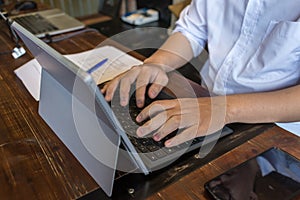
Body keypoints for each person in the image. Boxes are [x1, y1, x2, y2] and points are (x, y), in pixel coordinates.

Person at [101, 0, 300, 148]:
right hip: (204, 103)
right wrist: (157, 63)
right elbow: (192, 30)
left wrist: (224, 109)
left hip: (275, 128)